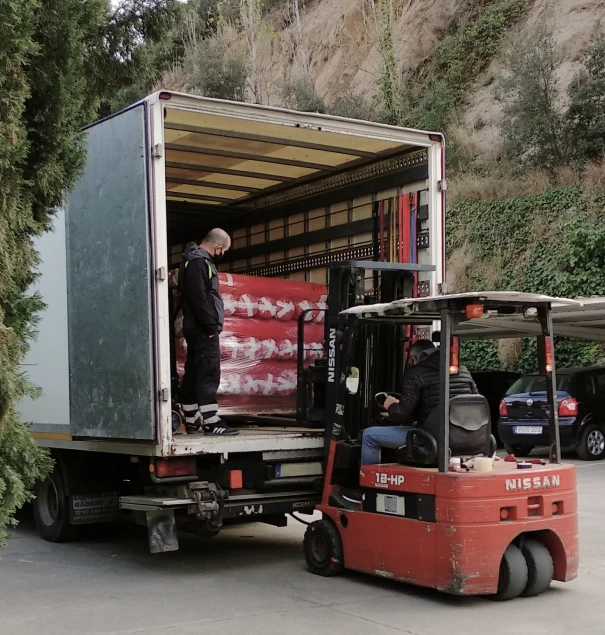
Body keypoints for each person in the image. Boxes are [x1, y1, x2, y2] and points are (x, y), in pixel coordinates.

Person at [361, 339, 477, 464]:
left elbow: (400, 415)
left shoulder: (416, 373)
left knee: (369, 435)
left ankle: (368, 481)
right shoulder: (463, 370)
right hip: (467, 436)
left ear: (412, 359)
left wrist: (391, 405)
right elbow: (475, 400)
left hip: (431, 439)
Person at [178, 228, 239, 436]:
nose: (222, 254)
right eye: (223, 251)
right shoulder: (199, 263)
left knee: (194, 372)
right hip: (203, 329)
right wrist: (211, 325)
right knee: (208, 371)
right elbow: (199, 298)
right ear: (218, 247)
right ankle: (212, 421)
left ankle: (191, 417)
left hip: (196, 328)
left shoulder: (192, 261)